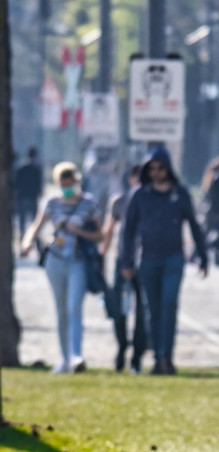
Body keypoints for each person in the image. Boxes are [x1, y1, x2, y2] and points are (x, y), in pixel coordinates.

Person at [116, 146, 209, 376]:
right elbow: (127, 230)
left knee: (169, 304)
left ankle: (168, 356)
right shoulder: (140, 195)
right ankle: (158, 357)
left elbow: (194, 226)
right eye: (152, 169)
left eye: (161, 168)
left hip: (173, 258)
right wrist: (125, 261)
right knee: (152, 310)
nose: (157, 172)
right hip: (148, 259)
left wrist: (203, 256)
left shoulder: (180, 194)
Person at [20, 162, 102, 373]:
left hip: (77, 259)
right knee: (61, 308)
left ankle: (77, 356)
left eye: (71, 180)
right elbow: (37, 226)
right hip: (55, 259)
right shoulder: (52, 203)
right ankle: (63, 359)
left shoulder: (88, 203)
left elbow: (100, 235)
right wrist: (27, 243)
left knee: (74, 306)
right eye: (63, 181)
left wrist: (80, 232)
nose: (67, 184)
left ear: (76, 180)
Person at [102, 163, 148, 372]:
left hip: (146, 260)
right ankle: (121, 346)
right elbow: (109, 231)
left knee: (142, 311)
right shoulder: (119, 202)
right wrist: (102, 255)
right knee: (119, 308)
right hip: (123, 260)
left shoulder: (152, 201)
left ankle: (138, 354)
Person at [14, 147, 42, 241]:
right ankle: (33, 241)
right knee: (34, 222)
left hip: (21, 197)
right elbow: (39, 184)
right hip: (32, 198)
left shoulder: (19, 167)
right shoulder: (36, 168)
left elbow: (16, 183)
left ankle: (23, 241)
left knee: (22, 222)